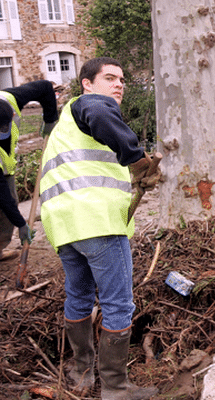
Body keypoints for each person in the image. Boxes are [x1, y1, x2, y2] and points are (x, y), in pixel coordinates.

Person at [40, 57, 161, 399]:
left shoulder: (66, 121)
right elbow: (102, 114)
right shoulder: (91, 104)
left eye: (121, 79)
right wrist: (138, 161)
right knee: (118, 305)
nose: (118, 84)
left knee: (78, 297)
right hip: (98, 223)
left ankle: (81, 374)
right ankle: (116, 388)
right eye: (110, 78)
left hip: (65, 227)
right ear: (87, 84)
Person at [0, 80, 57, 261]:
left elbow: (46, 88)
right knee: (6, 201)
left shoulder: (10, 98)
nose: (4, 130)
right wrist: (21, 224)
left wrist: (50, 119)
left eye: (5, 126)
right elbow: (1, 193)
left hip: (6, 168)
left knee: (11, 203)